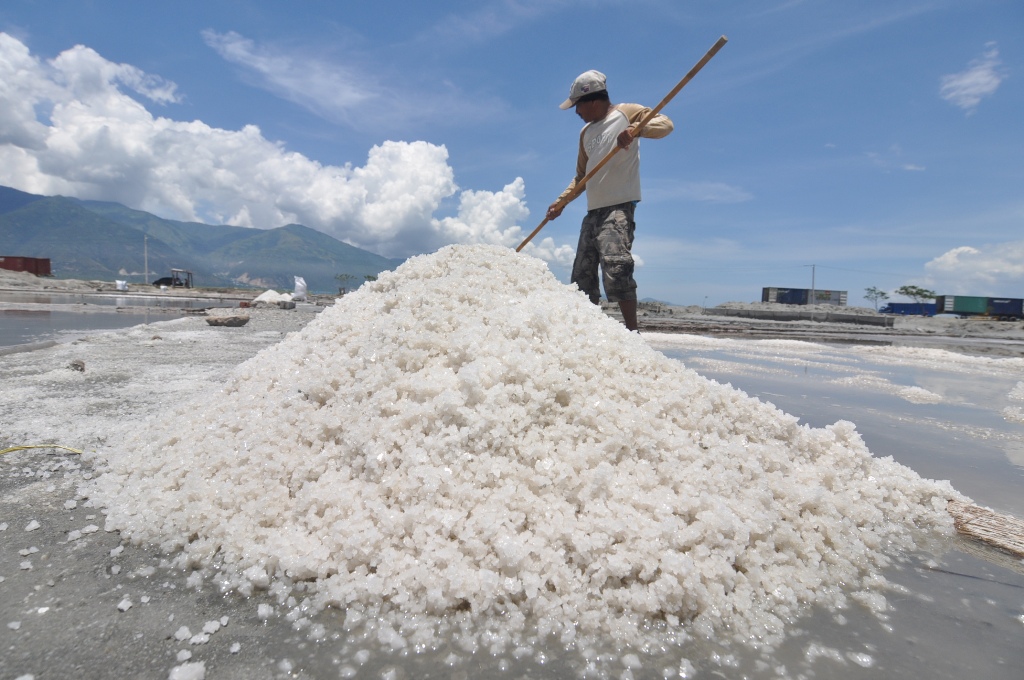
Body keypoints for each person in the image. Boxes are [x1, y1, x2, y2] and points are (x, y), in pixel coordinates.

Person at [546, 69, 673, 331]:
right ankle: (588, 332)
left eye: (577, 106)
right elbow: (582, 176)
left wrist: (637, 130)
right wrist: (561, 202)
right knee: (581, 277)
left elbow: (666, 125)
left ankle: (632, 331)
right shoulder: (585, 134)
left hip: (619, 208)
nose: (576, 112)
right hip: (592, 212)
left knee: (617, 269)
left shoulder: (627, 112)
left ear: (592, 100)